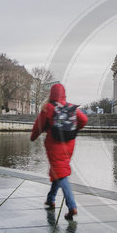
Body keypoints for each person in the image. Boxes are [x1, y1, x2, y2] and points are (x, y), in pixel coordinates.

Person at [30, 83, 88, 220]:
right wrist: (74, 129)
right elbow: (84, 119)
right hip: (69, 144)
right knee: (58, 169)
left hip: (54, 144)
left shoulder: (49, 108)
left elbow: (38, 126)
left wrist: (33, 137)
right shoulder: (70, 108)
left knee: (61, 174)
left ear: (52, 94)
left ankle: (72, 206)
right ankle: (50, 199)